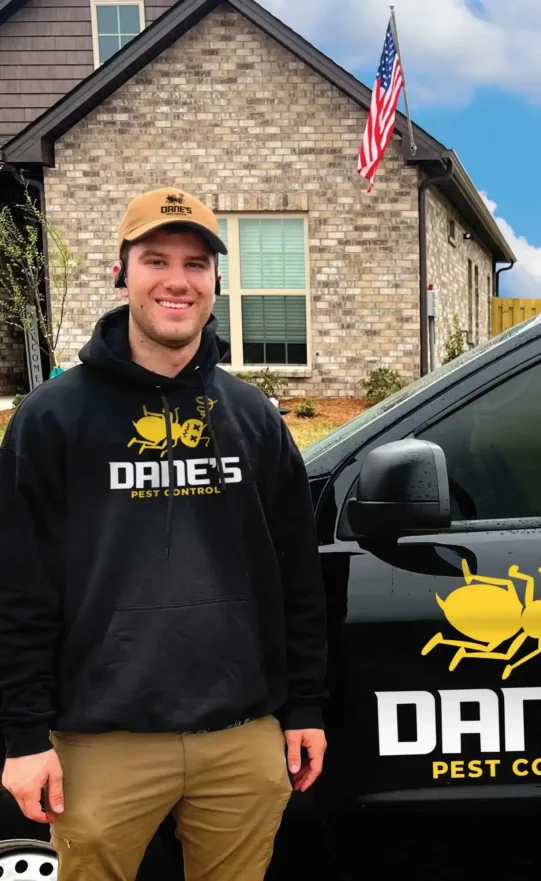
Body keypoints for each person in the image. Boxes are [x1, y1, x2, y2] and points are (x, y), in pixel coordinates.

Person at [0, 187, 328, 880]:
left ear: (216, 280)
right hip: (100, 742)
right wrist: (23, 735)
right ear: (123, 272)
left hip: (240, 738)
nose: (177, 280)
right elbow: (16, 583)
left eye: (196, 263)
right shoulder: (53, 418)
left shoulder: (253, 418)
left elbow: (298, 573)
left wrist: (304, 706)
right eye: (156, 259)